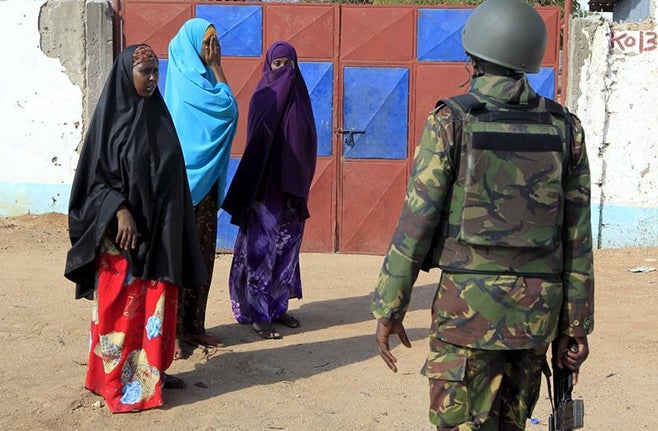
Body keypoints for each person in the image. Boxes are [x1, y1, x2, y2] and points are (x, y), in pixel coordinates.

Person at [370, 0, 595, 429]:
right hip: (534, 320)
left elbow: (416, 222)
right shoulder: (566, 128)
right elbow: (577, 238)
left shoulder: (451, 122)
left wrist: (390, 306)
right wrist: (576, 324)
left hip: (465, 317)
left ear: (474, 57)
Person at [64, 44, 208, 413]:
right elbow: (91, 183)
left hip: (159, 236)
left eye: (156, 71)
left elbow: (171, 177)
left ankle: (151, 371)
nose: (153, 78)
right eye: (145, 71)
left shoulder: (160, 118)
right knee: (122, 309)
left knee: (155, 307)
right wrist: (119, 209)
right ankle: (116, 380)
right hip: (122, 242)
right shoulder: (109, 124)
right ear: (127, 75)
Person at [221, 41, 317, 340]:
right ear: (269, 66)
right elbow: (256, 144)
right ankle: (257, 312)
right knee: (260, 251)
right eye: (278, 64)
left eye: (289, 64)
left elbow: (307, 145)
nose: (284, 70)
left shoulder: (301, 99)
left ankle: (277, 307)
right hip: (266, 189)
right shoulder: (263, 96)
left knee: (287, 251)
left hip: (293, 189)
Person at [164, 18, 239, 353]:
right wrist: (217, 69)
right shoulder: (185, 85)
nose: (213, 49)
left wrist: (216, 69)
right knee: (179, 260)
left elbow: (230, 110)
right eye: (207, 43)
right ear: (192, 47)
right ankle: (174, 332)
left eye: (216, 42)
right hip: (181, 187)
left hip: (204, 189)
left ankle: (195, 326)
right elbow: (227, 109)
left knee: (203, 257)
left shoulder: (208, 83)